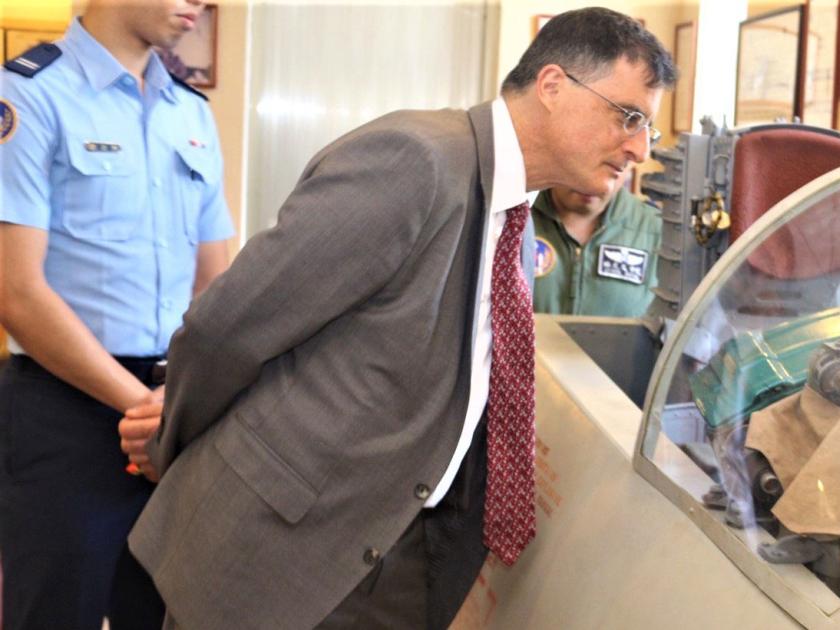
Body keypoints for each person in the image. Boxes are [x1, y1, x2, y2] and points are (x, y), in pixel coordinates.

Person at [118, 8, 675, 629]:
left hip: (395, 551)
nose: (640, 148)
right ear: (552, 86)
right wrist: (176, 442)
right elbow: (230, 327)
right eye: (628, 116)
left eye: (647, 126)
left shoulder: (514, 216)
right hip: (283, 555)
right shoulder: (418, 160)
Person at [0, 0, 234, 628]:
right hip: (66, 412)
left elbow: (215, 281)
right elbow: (16, 292)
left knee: (160, 614)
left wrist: (179, 407)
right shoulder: (27, 95)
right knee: (57, 612)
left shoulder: (191, 113)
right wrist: (144, 409)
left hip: (174, 406)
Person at [532, 175, 662, 317]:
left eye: (609, 165)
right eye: (580, 159)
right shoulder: (513, 216)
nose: (591, 183)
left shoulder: (658, 230)